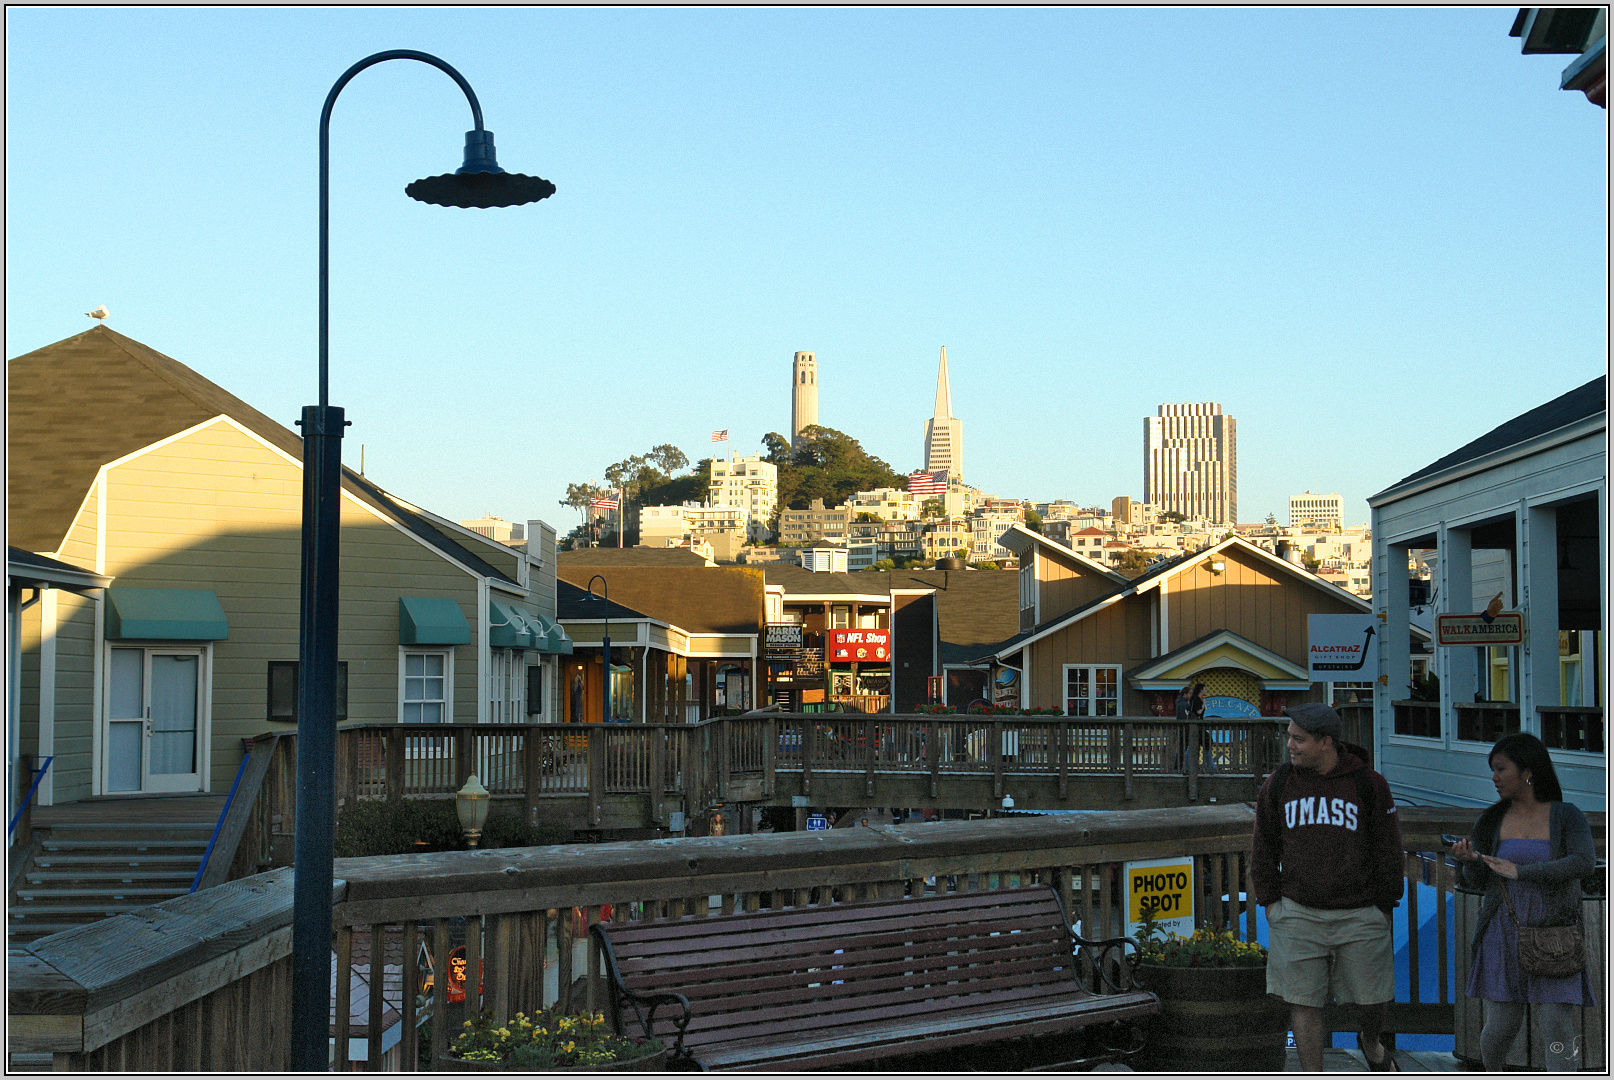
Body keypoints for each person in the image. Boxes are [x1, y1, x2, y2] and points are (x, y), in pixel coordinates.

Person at [1252, 703, 1404, 1072]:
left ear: (1326, 742)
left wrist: (1385, 905)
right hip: (1298, 910)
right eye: (1289, 737)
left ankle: (1370, 1041)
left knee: (1372, 1000)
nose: (1290, 745)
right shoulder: (1279, 784)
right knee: (1304, 1002)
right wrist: (1270, 901)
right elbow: (1264, 845)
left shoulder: (1368, 784)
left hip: (1359, 911)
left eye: (1299, 739)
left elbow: (1388, 847)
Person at [1451, 733, 1595, 1072]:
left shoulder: (1566, 815)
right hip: (1502, 932)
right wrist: (1470, 862)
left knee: (1557, 1026)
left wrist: (1523, 872)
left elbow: (1582, 862)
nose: (1494, 778)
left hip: (1554, 934)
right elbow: (1478, 882)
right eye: (1493, 770)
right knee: (1499, 1028)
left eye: (1501, 769)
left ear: (1527, 771)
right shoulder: (1491, 819)